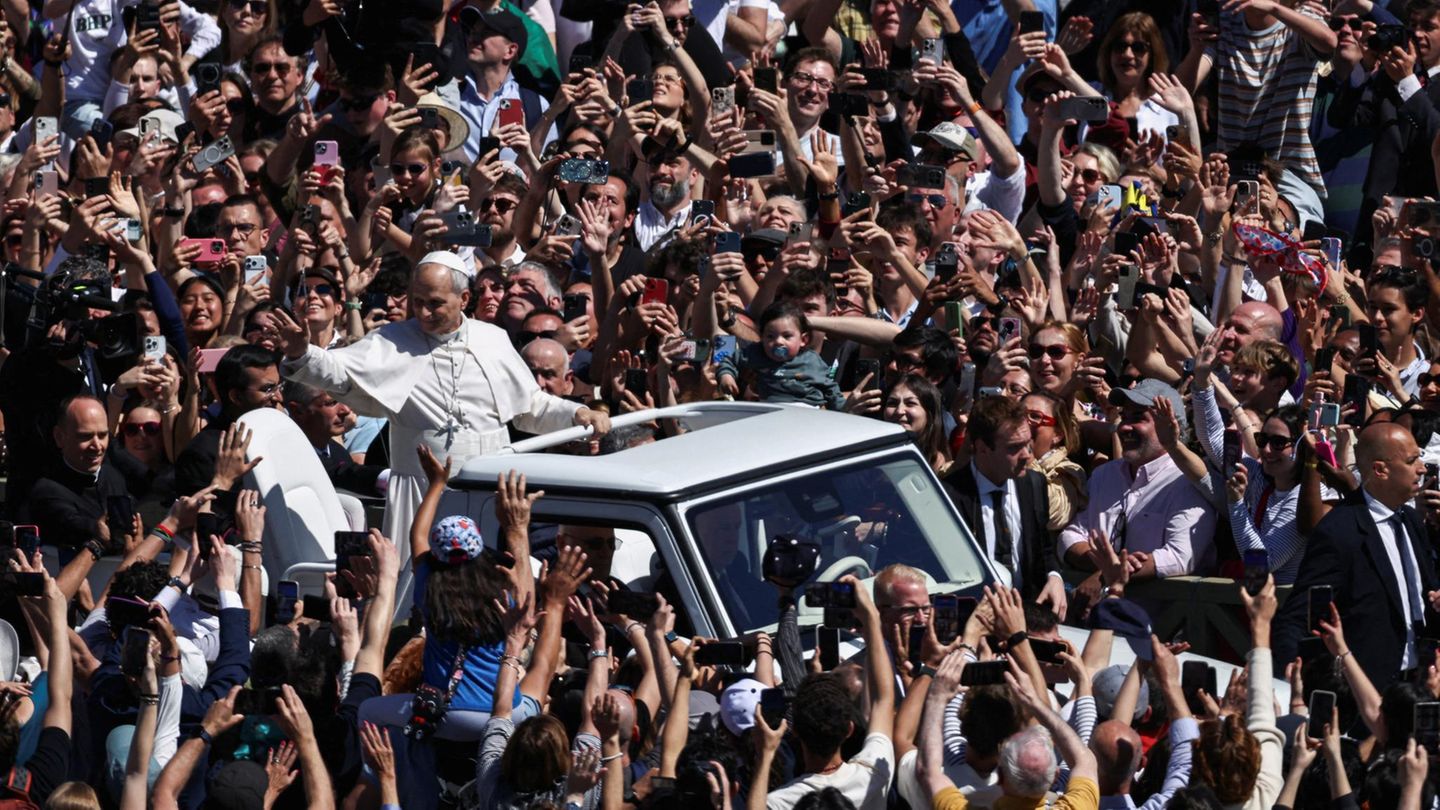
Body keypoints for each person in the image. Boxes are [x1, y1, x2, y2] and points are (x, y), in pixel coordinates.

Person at [268, 251, 610, 593]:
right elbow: (339, 372)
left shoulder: (492, 340)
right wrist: (303, 353)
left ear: (463, 298)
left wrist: (575, 413)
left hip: (488, 487)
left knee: (488, 588)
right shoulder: (394, 341)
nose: (424, 313)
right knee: (417, 590)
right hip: (421, 489)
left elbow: (529, 406)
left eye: (435, 303)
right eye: (417, 302)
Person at [1274, 421, 1439, 689]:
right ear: (1380, 470)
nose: (1422, 468)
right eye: (1412, 461)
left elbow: (1425, 592)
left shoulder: (1411, 520)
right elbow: (1299, 614)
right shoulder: (1339, 531)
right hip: (1369, 687)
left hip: (1421, 683)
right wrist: (1290, 676)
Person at [941, 395, 1065, 616]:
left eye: (1028, 444)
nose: (1027, 455)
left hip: (1026, 614)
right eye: (1014, 448)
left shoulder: (1033, 484)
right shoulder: (949, 496)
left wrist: (1054, 577)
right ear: (982, 448)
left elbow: (1044, 548)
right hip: (976, 618)